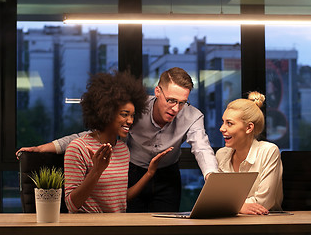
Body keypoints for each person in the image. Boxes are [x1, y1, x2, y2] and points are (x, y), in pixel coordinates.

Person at [17, 67, 218, 212]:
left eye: (182, 103)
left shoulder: (193, 116)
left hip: (167, 176)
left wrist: (213, 179)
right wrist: (44, 148)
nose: (175, 108)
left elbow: (203, 149)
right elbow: (91, 135)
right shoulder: (136, 108)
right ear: (158, 91)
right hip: (133, 171)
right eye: (171, 100)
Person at [64, 71, 172, 213]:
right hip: (88, 228)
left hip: (118, 226)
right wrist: (97, 170)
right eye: (124, 114)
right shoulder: (78, 148)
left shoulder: (122, 149)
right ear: (106, 112)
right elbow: (71, 205)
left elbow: (121, 198)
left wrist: (149, 173)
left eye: (133, 115)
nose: (130, 121)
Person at [216, 91, 283, 215]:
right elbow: (215, 200)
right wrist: (239, 206)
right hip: (229, 224)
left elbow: (263, 202)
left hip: (266, 225)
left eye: (229, 123)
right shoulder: (221, 155)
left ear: (249, 128)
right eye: (223, 122)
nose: (222, 128)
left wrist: (230, 205)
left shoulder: (269, 151)